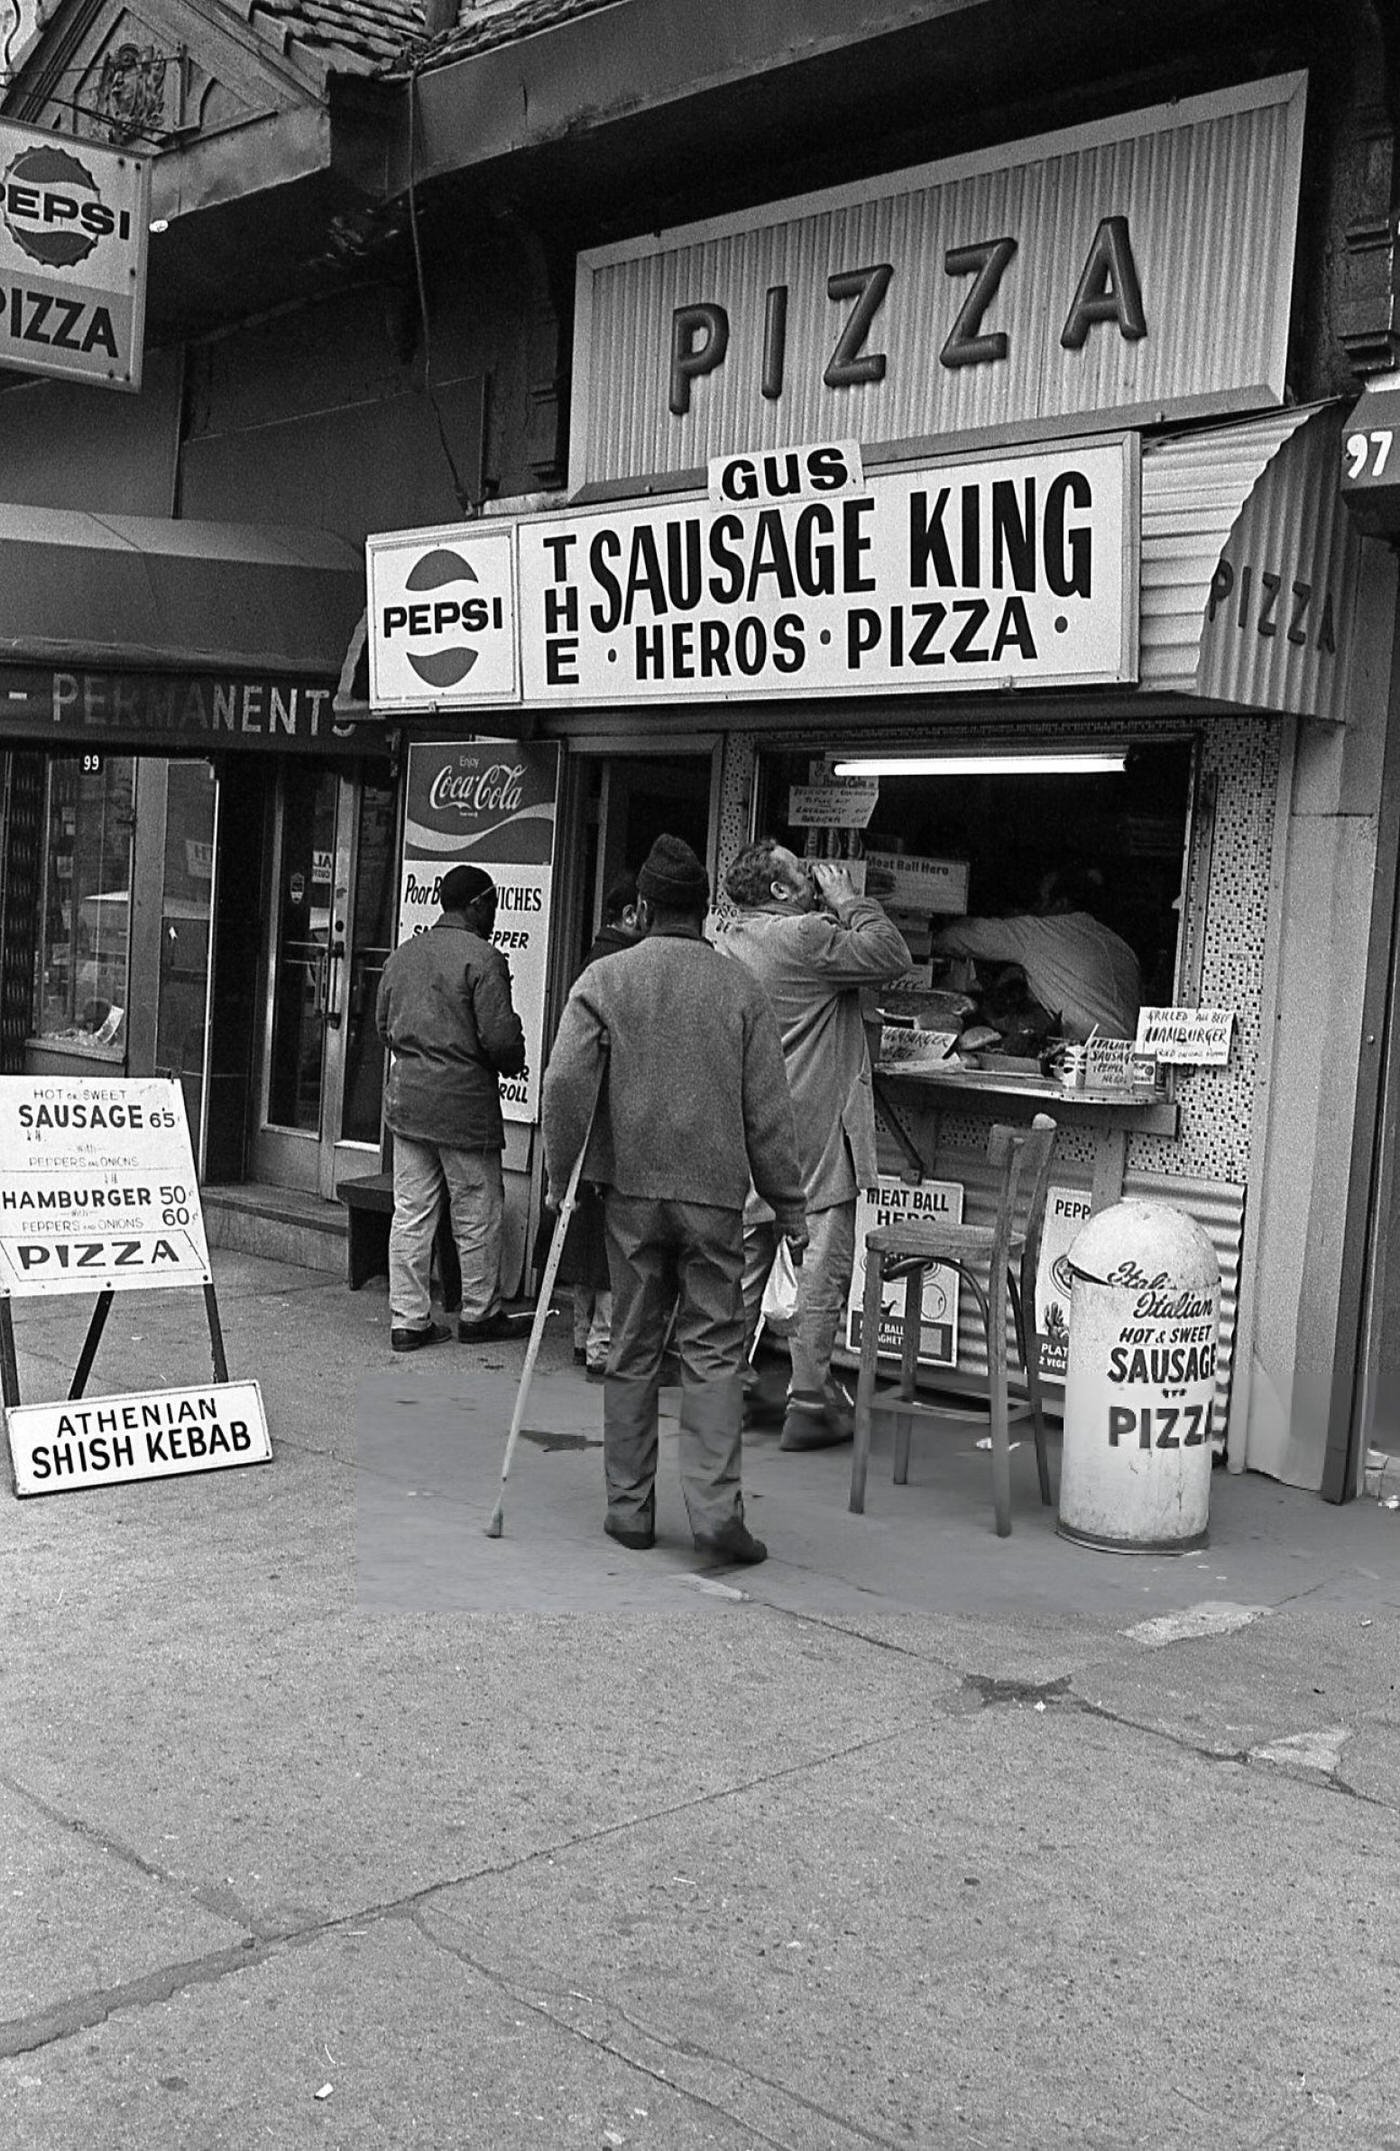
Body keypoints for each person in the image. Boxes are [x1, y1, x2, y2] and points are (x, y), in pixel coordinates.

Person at [542, 834, 807, 1564]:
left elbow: (563, 1082)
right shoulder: (740, 988)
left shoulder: (605, 978)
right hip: (714, 1195)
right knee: (714, 1351)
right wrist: (789, 1207)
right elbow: (769, 1112)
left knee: (631, 1346)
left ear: (642, 906)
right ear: (704, 910)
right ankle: (716, 1516)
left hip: (631, 1191)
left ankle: (629, 1510)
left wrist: (564, 1177)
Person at [720, 839, 911, 1450]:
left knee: (743, 1266)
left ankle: (727, 1393)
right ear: (780, 890)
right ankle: (808, 1401)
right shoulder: (805, 935)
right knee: (819, 1268)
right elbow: (892, 954)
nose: (814, 877)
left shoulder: (729, 939)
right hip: (814, 1133)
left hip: (749, 1129)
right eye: (803, 873)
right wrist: (849, 899)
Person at [375, 863, 530, 1352]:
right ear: (477, 904)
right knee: (477, 1212)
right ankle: (479, 1314)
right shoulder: (484, 959)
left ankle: (408, 1320)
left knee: (411, 1213)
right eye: (492, 906)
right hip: (464, 1107)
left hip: (408, 1103)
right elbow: (500, 1040)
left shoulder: (403, 955)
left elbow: (383, 1026)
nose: (495, 916)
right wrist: (515, 1057)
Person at [560, 872, 642, 1378]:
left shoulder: (589, 963)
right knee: (613, 1243)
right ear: (631, 915)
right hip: (614, 1122)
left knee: (585, 1234)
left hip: (585, 1124)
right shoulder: (624, 969)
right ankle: (602, 1344)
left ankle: (580, 1336)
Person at [930, 865, 1142, 1042]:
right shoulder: (1122, 948)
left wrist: (926, 935)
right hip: (1128, 1059)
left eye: (1042, 901)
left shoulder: (1041, 933)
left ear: (1061, 903)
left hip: (1083, 1058)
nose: (1037, 909)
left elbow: (960, 938)